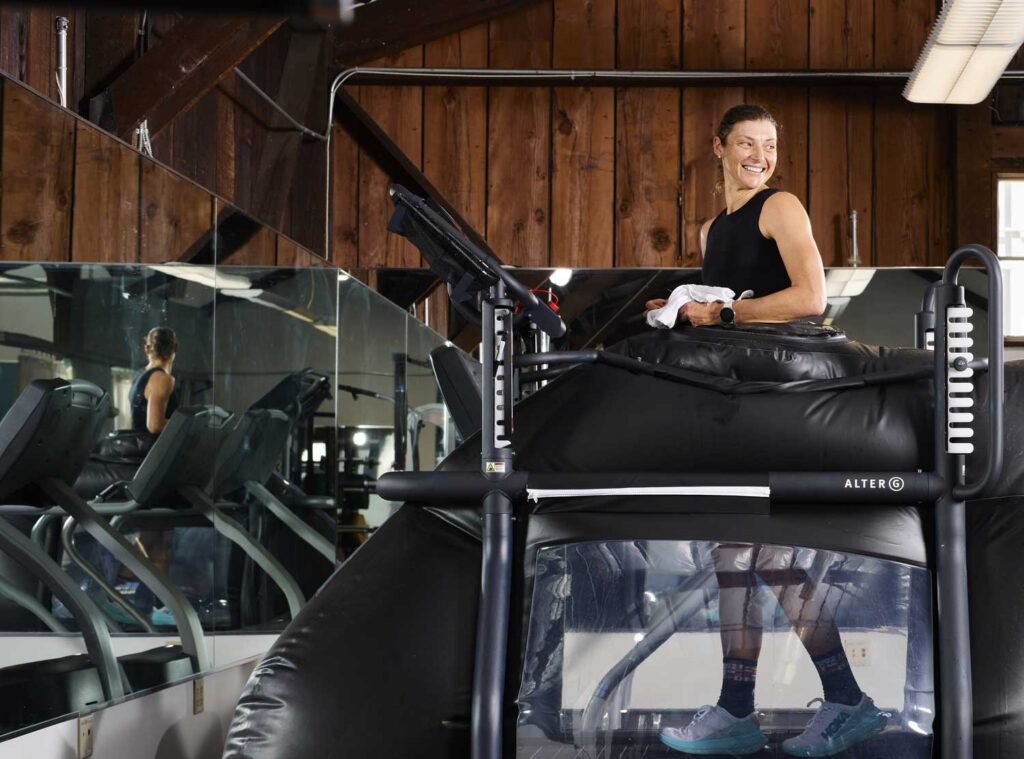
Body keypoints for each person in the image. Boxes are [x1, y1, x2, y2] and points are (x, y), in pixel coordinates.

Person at [651, 105, 886, 756]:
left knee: (740, 555)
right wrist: (682, 309)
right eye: (747, 143)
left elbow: (811, 298)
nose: (760, 154)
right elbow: (736, 305)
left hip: (786, 395)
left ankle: (739, 709)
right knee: (768, 560)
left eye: (771, 144)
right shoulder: (712, 227)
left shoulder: (780, 206)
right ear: (717, 147)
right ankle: (841, 699)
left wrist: (720, 307)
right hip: (743, 395)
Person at [129, 326, 179, 435]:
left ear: (146, 348)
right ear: (175, 348)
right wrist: (186, 425)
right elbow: (155, 426)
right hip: (154, 449)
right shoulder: (162, 379)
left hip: (140, 447)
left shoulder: (139, 375)